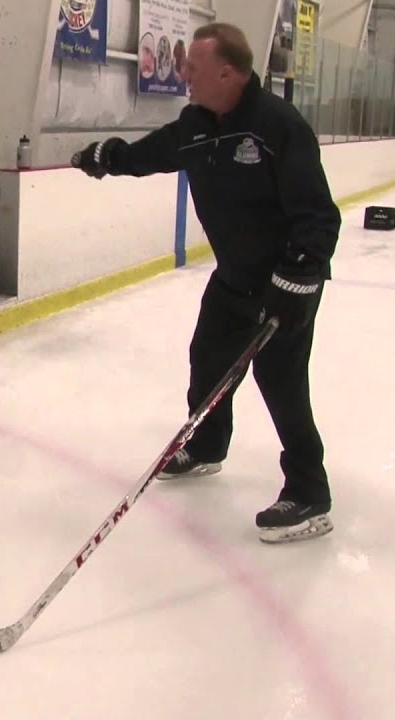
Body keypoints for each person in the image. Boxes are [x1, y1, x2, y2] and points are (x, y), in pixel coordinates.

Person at [72, 23, 342, 543]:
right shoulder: (197, 123)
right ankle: (208, 445)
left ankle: (310, 493)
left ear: (228, 72)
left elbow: (318, 215)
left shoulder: (278, 126)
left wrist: (299, 275)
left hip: (285, 283)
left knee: (281, 385)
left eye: (192, 69)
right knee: (208, 360)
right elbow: (155, 153)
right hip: (234, 277)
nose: (184, 76)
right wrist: (111, 157)